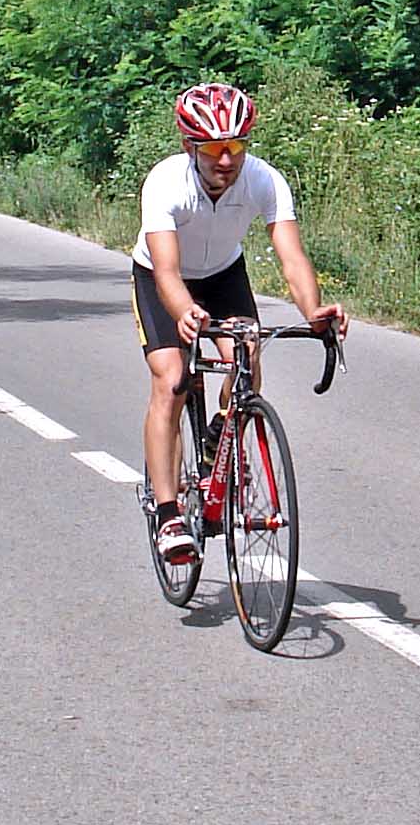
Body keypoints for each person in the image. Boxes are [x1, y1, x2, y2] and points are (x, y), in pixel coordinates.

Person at [136, 81, 345, 566]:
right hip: (161, 277)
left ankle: (218, 438)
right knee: (172, 380)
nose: (225, 160)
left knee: (247, 359)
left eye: (235, 146)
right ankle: (168, 514)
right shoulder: (166, 183)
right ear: (191, 146)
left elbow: (291, 257)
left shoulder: (264, 180)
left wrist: (312, 311)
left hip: (223, 274)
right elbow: (166, 270)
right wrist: (184, 310)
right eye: (213, 148)